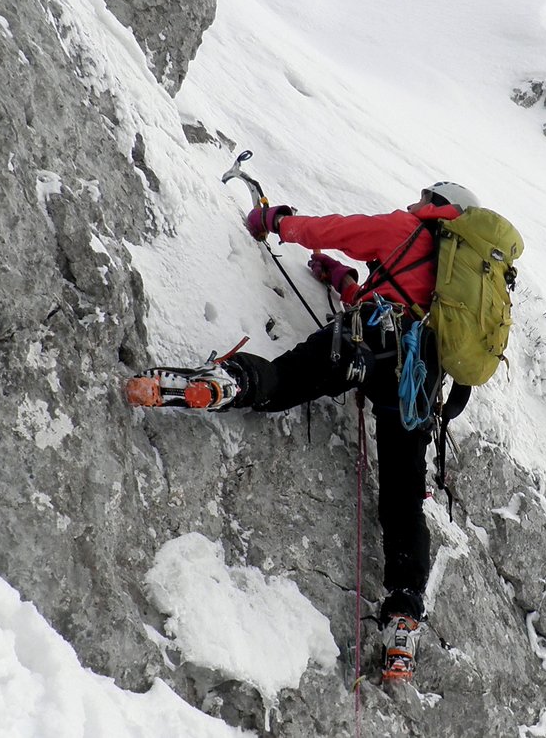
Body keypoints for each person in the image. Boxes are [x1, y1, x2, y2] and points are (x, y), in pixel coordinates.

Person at [125, 181, 484, 681]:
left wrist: (274, 224)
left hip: (365, 343)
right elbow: (402, 297)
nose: (414, 201)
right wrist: (340, 280)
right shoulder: (458, 278)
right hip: (414, 380)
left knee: (282, 381)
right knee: (404, 505)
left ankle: (224, 385)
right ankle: (403, 622)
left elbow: (335, 230)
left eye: (424, 196)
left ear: (438, 207)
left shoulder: (407, 230)